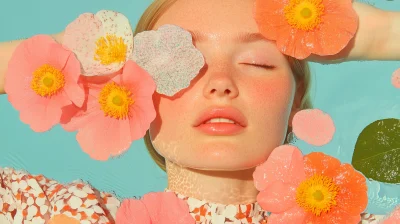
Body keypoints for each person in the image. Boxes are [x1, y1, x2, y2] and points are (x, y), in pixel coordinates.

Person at [0, 0, 399, 223]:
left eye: (257, 61)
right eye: (179, 61)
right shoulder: (72, 214)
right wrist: (56, 60)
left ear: (296, 99)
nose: (220, 82)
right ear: (136, 88)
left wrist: (382, 35)